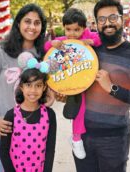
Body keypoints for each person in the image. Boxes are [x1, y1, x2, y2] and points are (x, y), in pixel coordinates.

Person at [73, 0, 130, 172]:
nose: (107, 24)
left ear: (122, 19)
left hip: (113, 139)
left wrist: (113, 88)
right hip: (82, 135)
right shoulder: (90, 51)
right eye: (102, 20)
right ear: (96, 24)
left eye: (113, 18)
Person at [0, 3, 47, 172]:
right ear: (18, 24)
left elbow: (45, 93)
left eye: (37, 23)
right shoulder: (0, 52)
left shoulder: (43, 56)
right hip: (1, 133)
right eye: (27, 21)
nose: (32, 27)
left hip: (32, 136)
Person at [44, 8, 101, 159]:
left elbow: (100, 38)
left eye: (77, 29)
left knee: (82, 108)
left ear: (84, 28)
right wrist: (53, 43)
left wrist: (91, 41)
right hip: (71, 81)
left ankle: (76, 137)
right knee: (79, 108)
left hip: (87, 78)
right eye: (68, 29)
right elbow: (46, 48)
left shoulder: (87, 36)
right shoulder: (64, 41)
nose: (72, 33)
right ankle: (76, 138)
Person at [0, 56, 56, 172]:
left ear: (44, 87)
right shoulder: (11, 115)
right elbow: (4, 151)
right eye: (28, 85)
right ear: (21, 87)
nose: (33, 91)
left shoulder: (50, 115)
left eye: (38, 85)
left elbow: (50, 149)